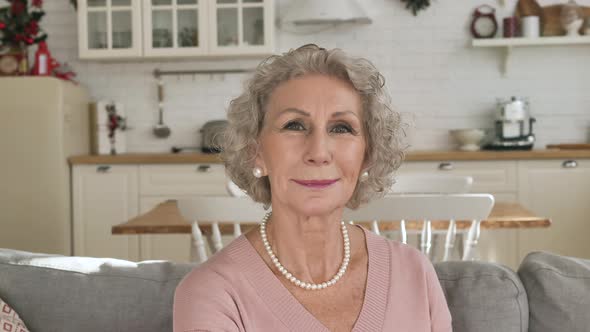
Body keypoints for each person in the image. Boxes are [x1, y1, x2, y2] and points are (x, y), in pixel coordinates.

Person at [173, 44, 452, 332]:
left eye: (341, 128)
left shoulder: (414, 272)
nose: (319, 152)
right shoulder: (212, 293)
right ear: (255, 152)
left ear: (367, 155)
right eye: (294, 125)